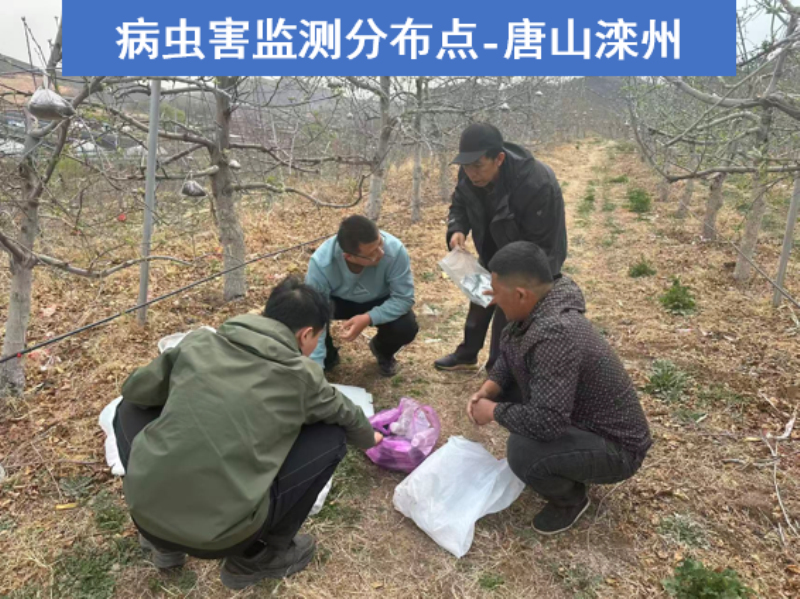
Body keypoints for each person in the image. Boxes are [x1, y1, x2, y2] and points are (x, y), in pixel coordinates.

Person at [114, 277, 381, 590]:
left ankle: (162, 542)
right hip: (224, 537)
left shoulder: (198, 343)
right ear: (306, 334)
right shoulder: (302, 375)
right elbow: (348, 416)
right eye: (318, 339)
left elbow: (135, 389)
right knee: (331, 437)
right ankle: (257, 557)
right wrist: (371, 439)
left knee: (129, 407)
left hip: (146, 515)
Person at [467, 242, 651, 535]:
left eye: (497, 292)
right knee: (515, 403)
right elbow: (514, 353)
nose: (492, 299)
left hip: (618, 449)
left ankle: (570, 500)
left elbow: (547, 422)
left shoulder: (555, 334)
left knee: (523, 451)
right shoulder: (543, 304)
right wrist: (489, 389)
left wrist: (493, 411)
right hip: (584, 421)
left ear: (521, 294)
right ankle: (569, 461)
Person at [435, 123, 568, 372]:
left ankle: (498, 370)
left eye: (477, 166)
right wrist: (457, 229)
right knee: (480, 299)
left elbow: (539, 243)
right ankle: (467, 354)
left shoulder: (536, 183)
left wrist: (508, 282)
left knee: (507, 314)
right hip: (493, 247)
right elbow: (459, 204)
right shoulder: (469, 171)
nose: (471, 173)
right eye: (466, 166)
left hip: (535, 253)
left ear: (499, 159)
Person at [305, 214, 418, 377]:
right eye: (372, 253)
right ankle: (328, 357)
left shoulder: (395, 250)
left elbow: (404, 298)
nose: (381, 253)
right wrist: (315, 369)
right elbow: (314, 315)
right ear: (349, 256)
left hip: (379, 299)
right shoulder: (321, 264)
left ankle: (382, 350)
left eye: (380, 243)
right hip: (337, 302)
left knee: (406, 327)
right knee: (301, 313)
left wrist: (368, 318)